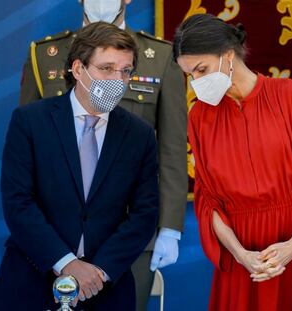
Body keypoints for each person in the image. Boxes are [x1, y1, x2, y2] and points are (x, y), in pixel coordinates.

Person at [20, 1, 188, 309]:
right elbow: (28, 155)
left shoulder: (161, 58)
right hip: (58, 235)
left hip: (132, 234)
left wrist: (170, 227)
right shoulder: (45, 56)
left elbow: (173, 149)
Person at [0, 22, 159, 311]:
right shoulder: (30, 122)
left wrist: (97, 272)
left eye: (125, 71)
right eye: (106, 68)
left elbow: (144, 215)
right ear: (78, 70)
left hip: (105, 290)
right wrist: (67, 263)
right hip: (31, 282)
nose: (118, 79)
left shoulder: (139, 135)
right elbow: (18, 203)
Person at [173, 13, 292, 311]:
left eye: (201, 70)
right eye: (189, 75)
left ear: (228, 54)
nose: (196, 82)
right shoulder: (199, 117)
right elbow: (207, 198)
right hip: (243, 258)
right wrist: (241, 255)